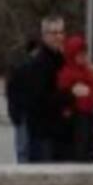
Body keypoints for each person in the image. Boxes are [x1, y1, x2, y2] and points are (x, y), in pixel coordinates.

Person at [25, 16, 68, 163]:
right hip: (43, 133)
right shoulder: (38, 63)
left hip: (61, 132)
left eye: (61, 32)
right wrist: (69, 95)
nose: (58, 36)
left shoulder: (63, 60)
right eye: (53, 33)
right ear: (44, 36)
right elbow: (39, 100)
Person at [56, 35, 93, 163]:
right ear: (72, 55)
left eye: (84, 54)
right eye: (80, 54)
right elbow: (63, 96)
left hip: (89, 116)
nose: (83, 57)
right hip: (74, 120)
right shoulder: (66, 73)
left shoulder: (87, 72)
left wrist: (89, 95)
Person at [5, 39, 39, 163]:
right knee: (24, 147)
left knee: (25, 147)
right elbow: (12, 92)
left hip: (28, 113)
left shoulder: (20, 68)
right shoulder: (23, 69)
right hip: (25, 113)